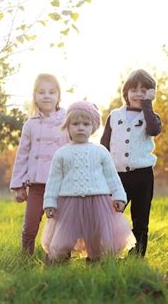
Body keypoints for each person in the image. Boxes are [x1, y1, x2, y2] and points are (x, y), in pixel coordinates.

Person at [42, 101, 135, 262]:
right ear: (68, 127)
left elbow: (112, 176)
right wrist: (49, 202)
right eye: (75, 124)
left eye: (86, 124)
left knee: (96, 239)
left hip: (98, 202)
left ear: (93, 127)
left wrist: (119, 196)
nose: (80, 127)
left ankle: (95, 264)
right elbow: (54, 180)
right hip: (69, 203)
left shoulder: (100, 151)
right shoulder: (62, 153)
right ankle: (59, 264)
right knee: (63, 239)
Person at [100, 69, 162, 257]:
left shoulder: (151, 116)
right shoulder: (114, 116)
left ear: (150, 94)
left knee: (141, 219)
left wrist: (147, 105)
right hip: (116, 176)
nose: (138, 94)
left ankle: (136, 257)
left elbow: (153, 130)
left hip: (143, 176)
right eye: (134, 89)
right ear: (126, 92)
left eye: (144, 90)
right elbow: (104, 145)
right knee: (109, 216)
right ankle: (104, 253)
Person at [10, 73, 70, 255]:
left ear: (58, 96)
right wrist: (19, 185)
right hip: (36, 185)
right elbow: (22, 155)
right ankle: (26, 257)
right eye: (41, 92)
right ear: (35, 96)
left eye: (52, 92)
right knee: (30, 226)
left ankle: (60, 259)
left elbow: (74, 150)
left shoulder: (67, 120)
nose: (46, 96)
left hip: (61, 185)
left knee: (62, 227)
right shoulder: (30, 124)